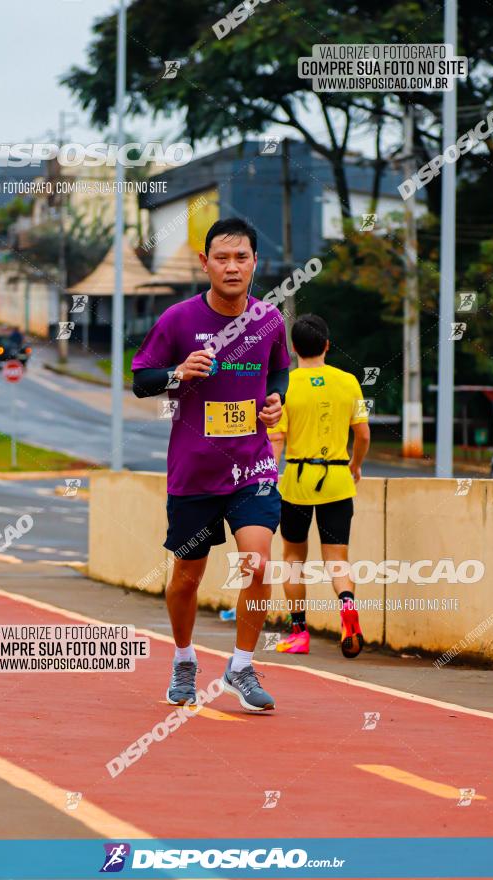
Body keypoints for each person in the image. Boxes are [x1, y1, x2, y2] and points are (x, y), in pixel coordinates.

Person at [132, 217, 290, 711]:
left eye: (241, 257)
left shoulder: (270, 321)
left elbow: (279, 369)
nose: (232, 266)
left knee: (259, 565)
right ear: (205, 263)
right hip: (195, 471)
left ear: (255, 263)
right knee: (187, 578)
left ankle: (241, 666)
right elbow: (140, 379)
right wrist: (177, 373)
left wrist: (275, 399)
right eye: (222, 257)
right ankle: (183, 658)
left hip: (252, 468)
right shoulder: (178, 320)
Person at [268, 314, 370, 657]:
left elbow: (277, 439)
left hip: (297, 481)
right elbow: (363, 434)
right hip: (338, 481)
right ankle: (347, 604)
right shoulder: (349, 382)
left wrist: (268, 477)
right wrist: (354, 465)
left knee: (294, 558)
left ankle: (298, 633)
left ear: (293, 347)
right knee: (337, 558)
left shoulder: (286, 386)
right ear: (327, 345)